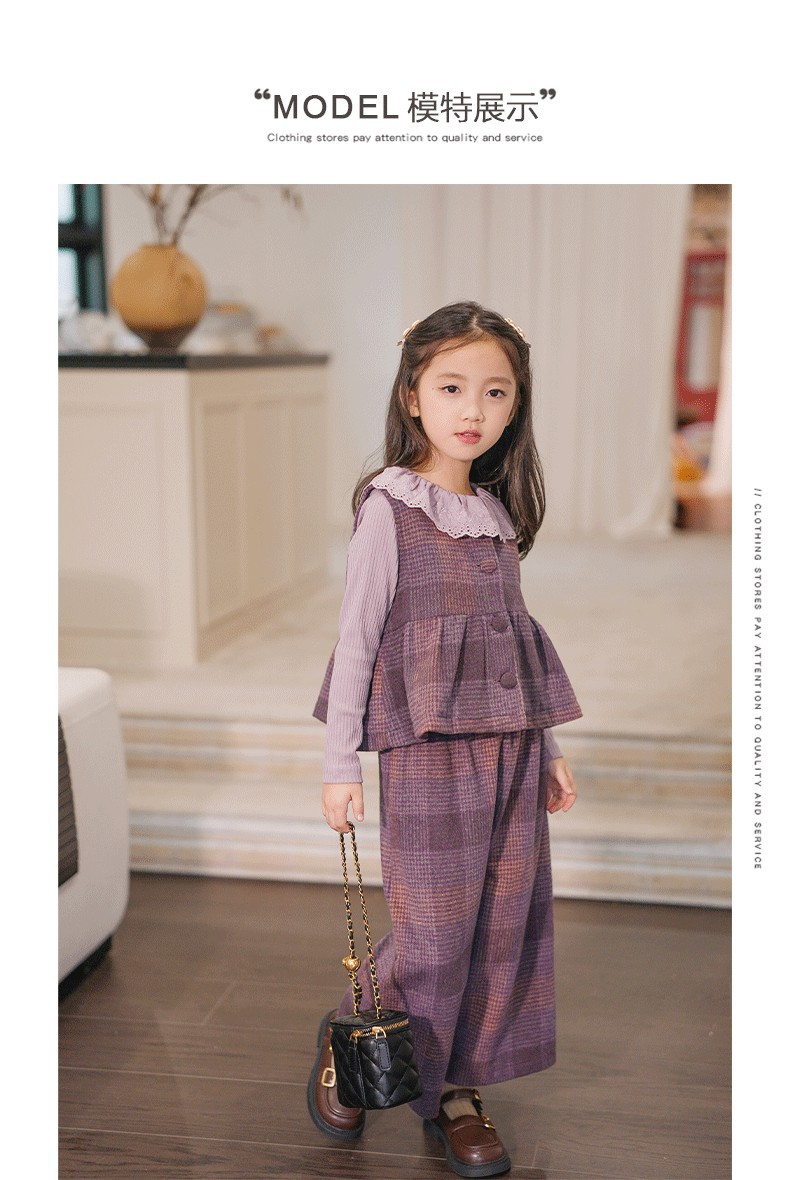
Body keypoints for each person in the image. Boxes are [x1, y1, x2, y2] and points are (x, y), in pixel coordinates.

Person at [307, 300, 582, 1178]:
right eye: (453, 387)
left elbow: (512, 648)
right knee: (432, 934)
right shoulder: (390, 509)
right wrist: (339, 763)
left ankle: (457, 1093)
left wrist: (548, 750)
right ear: (413, 395)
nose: (474, 410)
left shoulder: (495, 515)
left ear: (515, 405)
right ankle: (353, 1034)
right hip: (428, 754)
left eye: (496, 392)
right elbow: (357, 639)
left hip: (512, 754)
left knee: (500, 929)